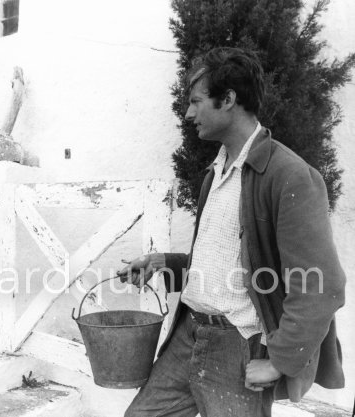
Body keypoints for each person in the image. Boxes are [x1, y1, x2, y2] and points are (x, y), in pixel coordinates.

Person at [119, 47, 345, 417]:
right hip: (188, 333)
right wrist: (164, 263)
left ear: (228, 99)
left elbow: (323, 284)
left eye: (196, 101)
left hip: (237, 346)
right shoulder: (218, 169)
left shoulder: (288, 174)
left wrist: (280, 361)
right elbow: (230, 261)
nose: (188, 113)